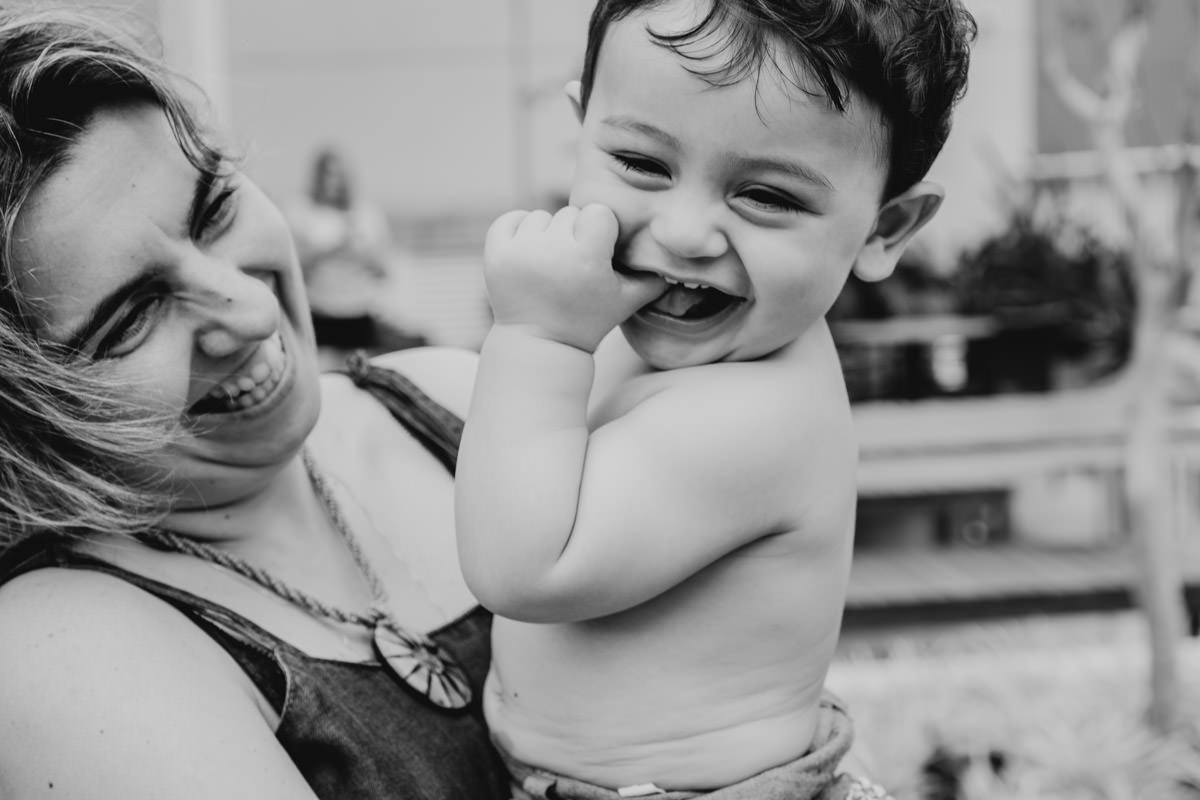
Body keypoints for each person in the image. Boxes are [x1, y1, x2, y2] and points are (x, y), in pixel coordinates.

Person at [455, 0, 975, 797]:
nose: (686, 229)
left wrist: (534, 339)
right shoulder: (675, 348)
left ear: (885, 229)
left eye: (768, 196)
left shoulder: (762, 415)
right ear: (581, 129)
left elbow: (523, 568)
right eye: (641, 163)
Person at [0, 8, 507, 799]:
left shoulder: (454, 397)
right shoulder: (56, 652)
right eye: (131, 316)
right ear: (23, 413)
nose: (250, 312)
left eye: (213, 211)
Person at [287, 145, 424, 368]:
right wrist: (331, 248)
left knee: (360, 376)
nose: (333, 182)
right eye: (328, 175)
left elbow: (383, 270)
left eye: (338, 175)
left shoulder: (367, 214)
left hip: (359, 312)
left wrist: (357, 251)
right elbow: (294, 266)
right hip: (320, 311)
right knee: (325, 378)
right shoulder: (301, 212)